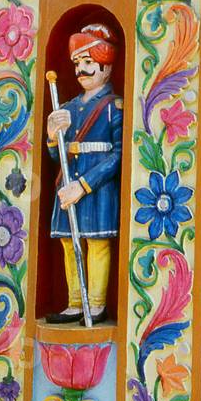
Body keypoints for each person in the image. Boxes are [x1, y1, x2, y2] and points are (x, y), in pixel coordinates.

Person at [45, 24, 123, 325]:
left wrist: (83, 185)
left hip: (96, 188)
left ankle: (97, 303)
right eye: (78, 63)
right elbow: (56, 156)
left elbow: (117, 156)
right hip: (67, 182)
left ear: (106, 65)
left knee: (97, 242)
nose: (82, 70)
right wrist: (53, 136)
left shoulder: (113, 107)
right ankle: (75, 302)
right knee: (69, 241)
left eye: (89, 62)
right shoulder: (67, 108)